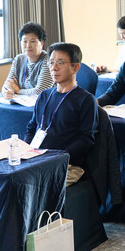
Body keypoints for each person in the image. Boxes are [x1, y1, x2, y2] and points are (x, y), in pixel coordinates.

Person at [25, 42, 98, 178]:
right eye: (51, 63)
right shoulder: (44, 95)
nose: (54, 68)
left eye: (60, 63)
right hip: (38, 160)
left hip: (67, 165)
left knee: (30, 183)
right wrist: (28, 150)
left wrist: (58, 158)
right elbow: (32, 127)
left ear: (75, 67)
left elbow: (86, 140)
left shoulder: (85, 99)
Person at [1, 21, 53, 99]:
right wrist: (6, 92)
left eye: (32, 41)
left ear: (42, 43)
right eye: (25, 41)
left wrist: (18, 90)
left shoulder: (48, 60)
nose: (28, 45)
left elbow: (40, 92)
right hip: (22, 102)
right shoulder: (19, 59)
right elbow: (8, 84)